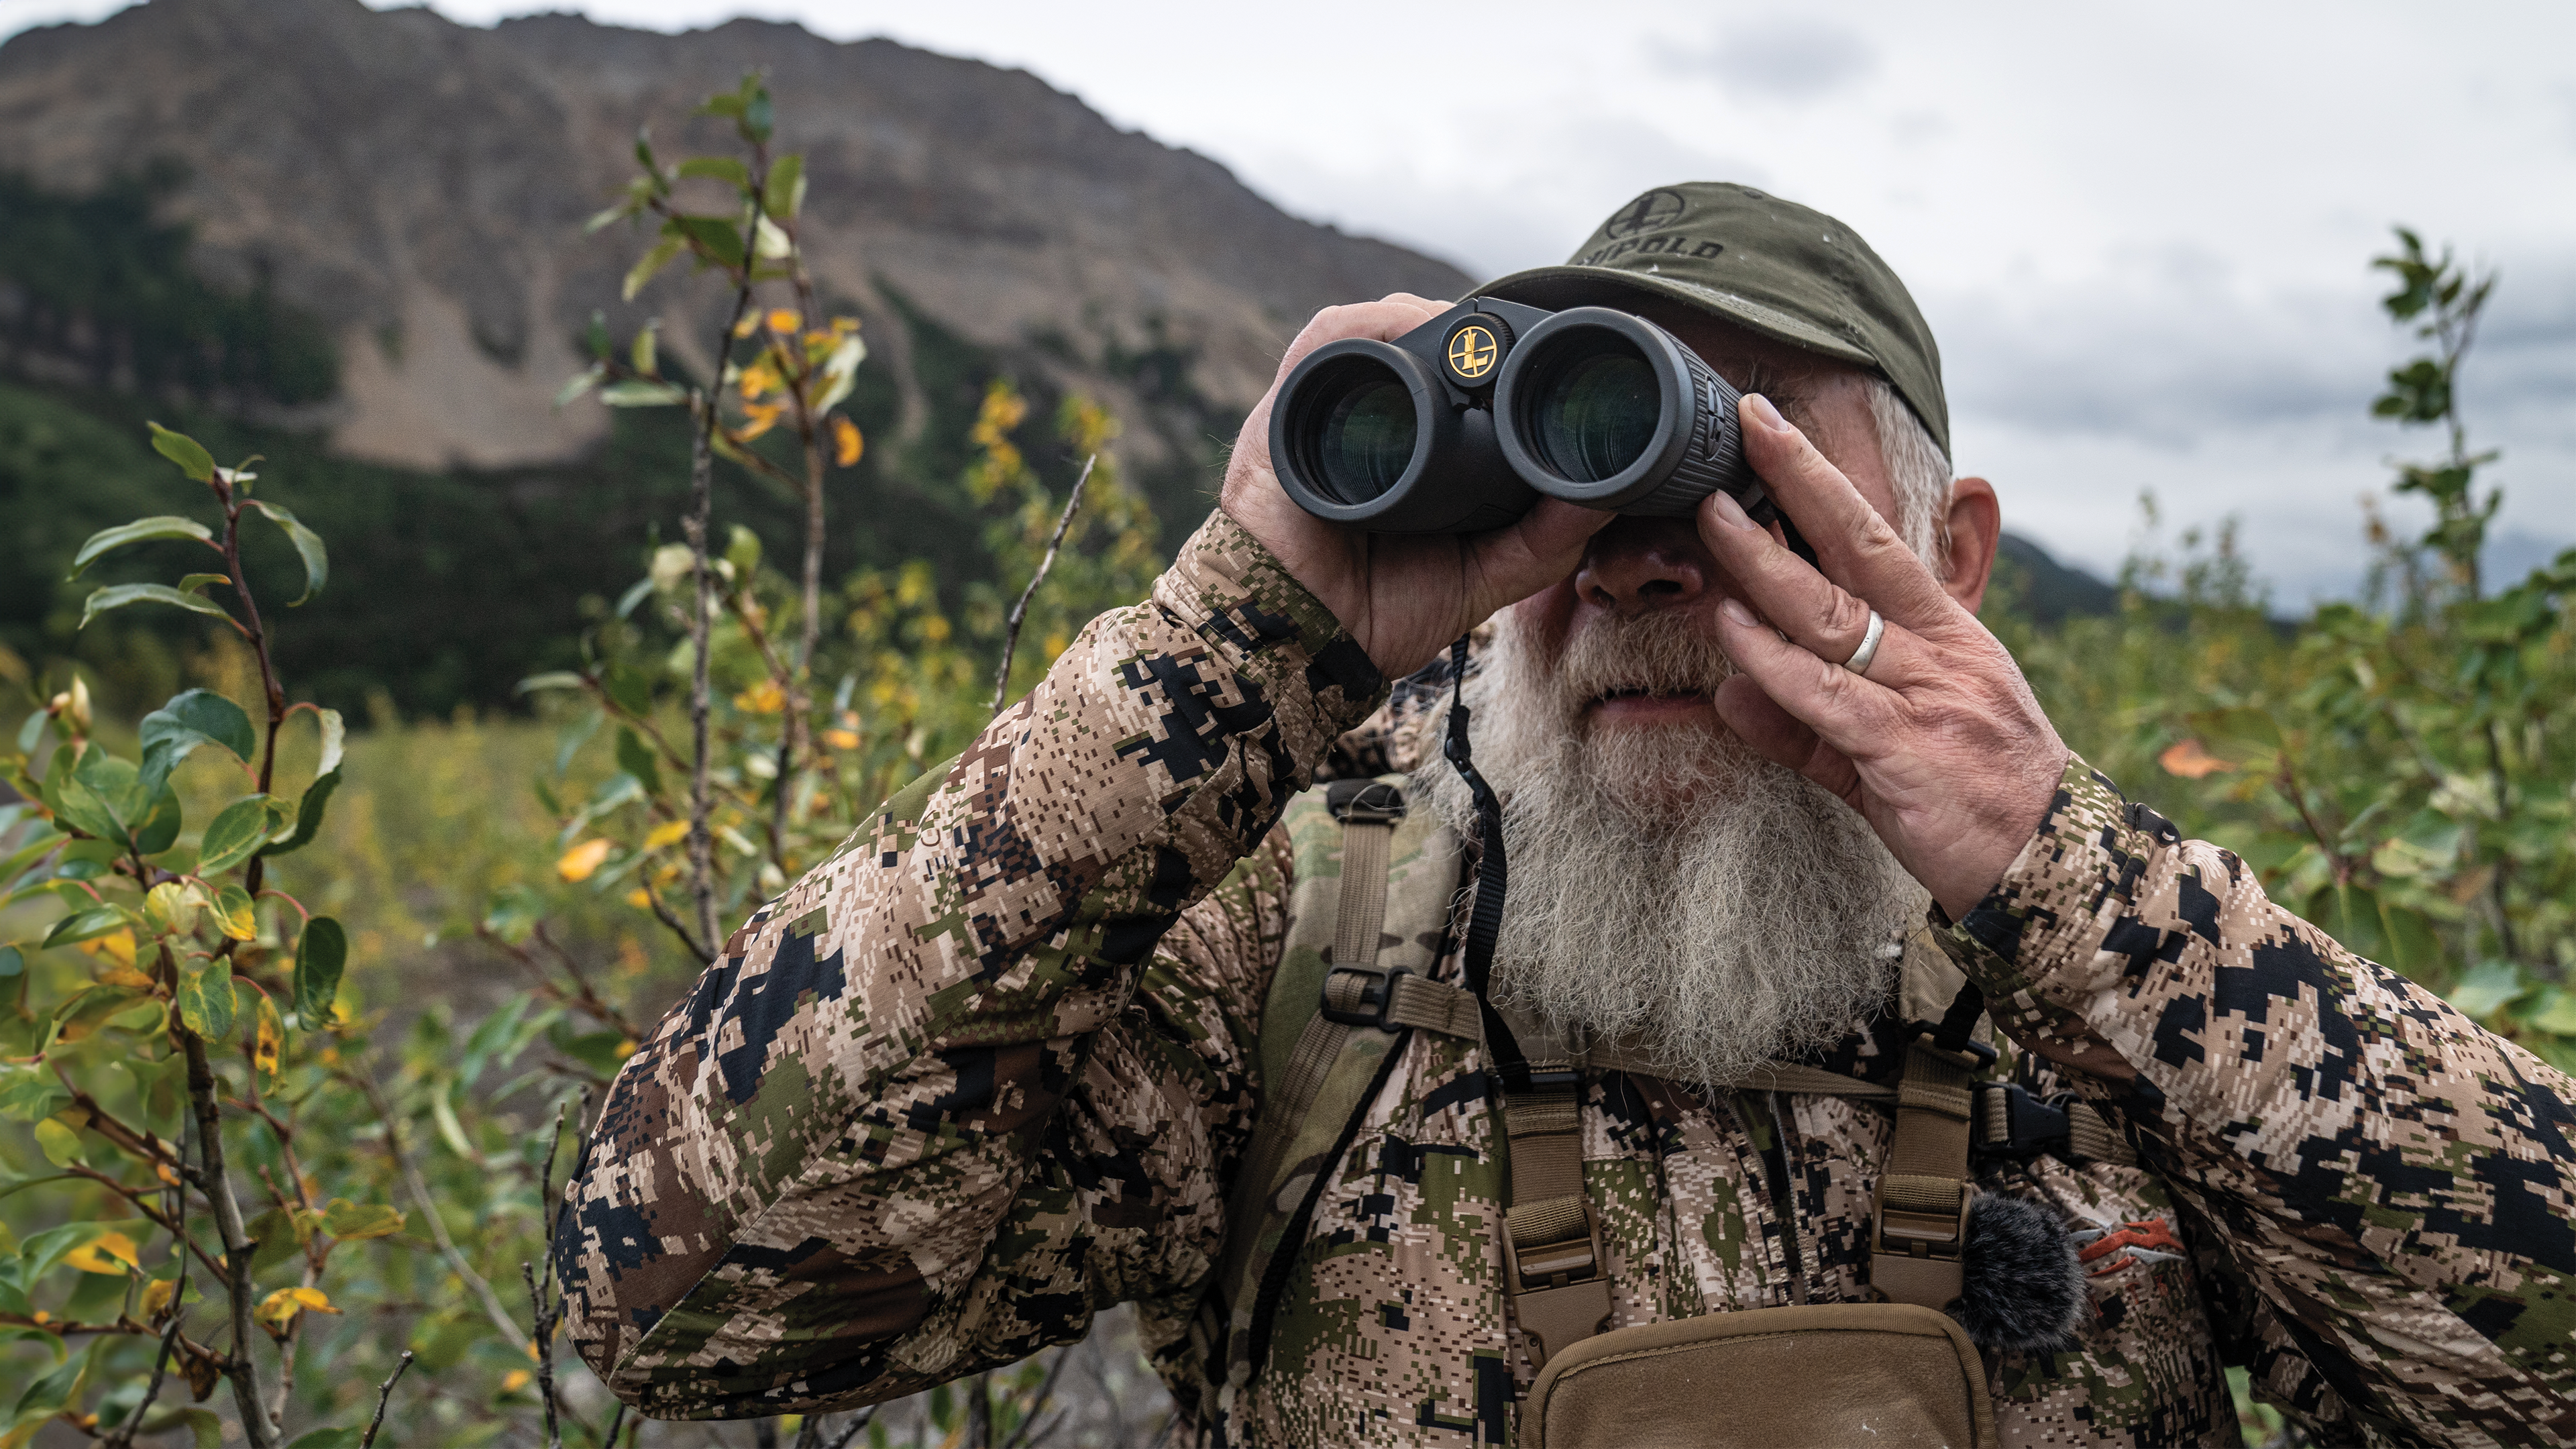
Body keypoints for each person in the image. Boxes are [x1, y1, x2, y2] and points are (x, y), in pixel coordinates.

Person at [553, 183, 2575, 1447]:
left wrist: (2072, 877)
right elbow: (674, 1298)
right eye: (1577, 487)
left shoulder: (2117, 987)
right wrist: (1222, 657)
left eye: (1745, 481)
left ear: (1948, 551)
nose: (1642, 563)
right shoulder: (1300, 961)